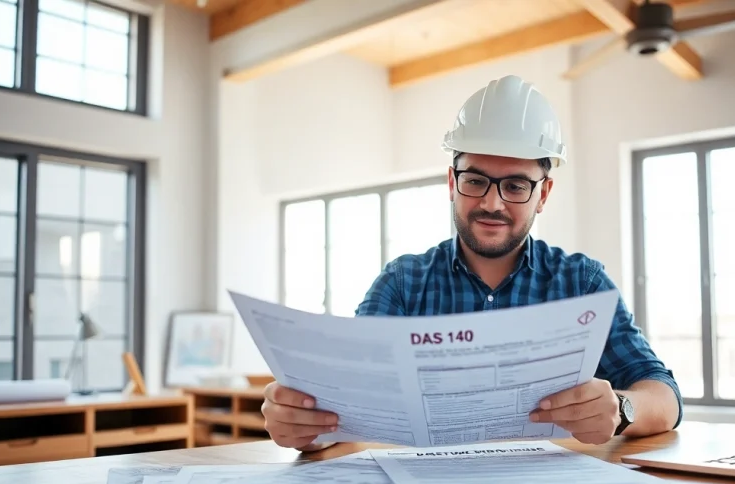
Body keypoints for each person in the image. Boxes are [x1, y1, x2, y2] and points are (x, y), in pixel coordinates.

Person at [261, 75, 682, 452]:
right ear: (452, 182)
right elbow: (349, 403)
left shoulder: (582, 282)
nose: (491, 203)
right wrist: (305, 429)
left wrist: (622, 409)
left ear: (544, 194)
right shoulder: (402, 285)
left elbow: (664, 395)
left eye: (516, 185)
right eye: (476, 180)